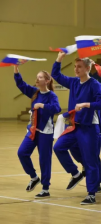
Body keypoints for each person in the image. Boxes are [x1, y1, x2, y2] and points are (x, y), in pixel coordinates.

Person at [52, 52, 101, 205]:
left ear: (88, 68)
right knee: (59, 147)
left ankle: (91, 193)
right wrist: (60, 58)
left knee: (91, 160)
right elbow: (55, 74)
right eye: (75, 67)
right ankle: (76, 174)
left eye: (79, 67)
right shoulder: (74, 82)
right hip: (74, 126)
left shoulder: (94, 84)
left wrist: (86, 104)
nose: (76, 70)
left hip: (90, 127)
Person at [15, 66, 61, 198]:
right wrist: (16, 70)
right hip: (33, 129)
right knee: (22, 152)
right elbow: (21, 84)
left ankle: (45, 188)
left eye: (40, 77)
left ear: (47, 81)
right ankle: (34, 177)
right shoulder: (35, 93)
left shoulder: (51, 95)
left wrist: (42, 106)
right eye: (37, 77)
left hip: (45, 132)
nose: (37, 79)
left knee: (44, 159)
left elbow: (57, 108)